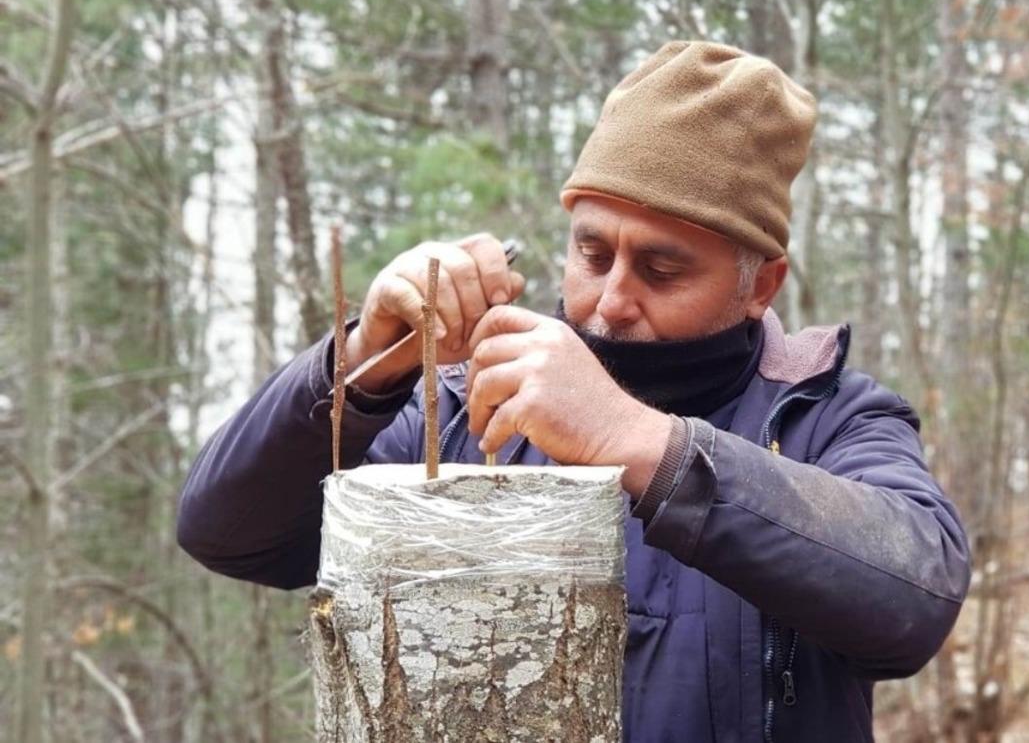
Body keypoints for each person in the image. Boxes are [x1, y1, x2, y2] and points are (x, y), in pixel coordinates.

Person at [177, 40, 970, 742]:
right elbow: (230, 532)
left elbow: (916, 596)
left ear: (760, 282)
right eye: (592, 253)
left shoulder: (825, 416)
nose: (613, 299)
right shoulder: (466, 408)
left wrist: (638, 442)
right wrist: (369, 360)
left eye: (662, 269)